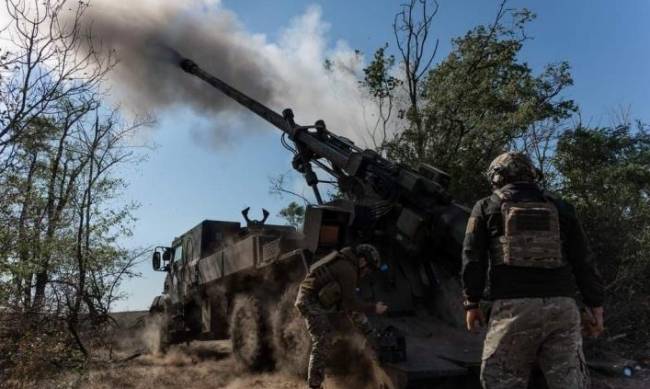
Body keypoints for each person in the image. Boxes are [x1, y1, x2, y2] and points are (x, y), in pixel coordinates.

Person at [461, 152, 605, 389]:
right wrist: (595, 305)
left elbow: (472, 258)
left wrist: (471, 303)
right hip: (563, 308)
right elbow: (583, 260)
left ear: (497, 177)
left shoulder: (487, 206)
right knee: (569, 383)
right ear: (532, 175)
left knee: (500, 381)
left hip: (513, 309)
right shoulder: (562, 207)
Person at [295, 244, 389, 389]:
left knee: (343, 327)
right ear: (363, 261)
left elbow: (351, 308)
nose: (367, 273)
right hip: (309, 300)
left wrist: (368, 333)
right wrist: (374, 308)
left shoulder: (347, 264)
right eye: (368, 268)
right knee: (323, 338)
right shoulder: (348, 270)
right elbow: (351, 304)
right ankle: (314, 385)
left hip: (320, 301)